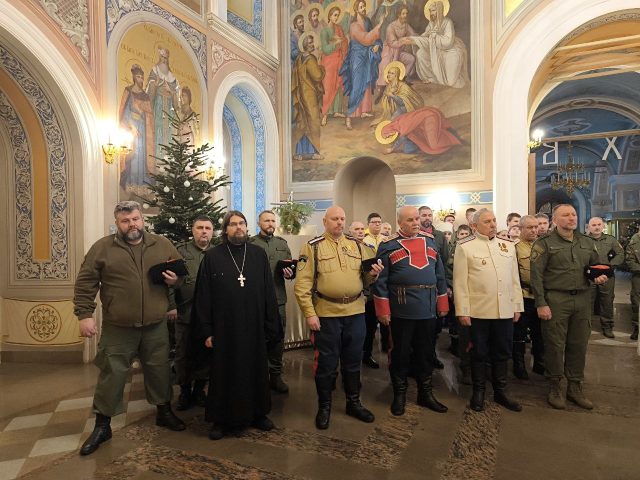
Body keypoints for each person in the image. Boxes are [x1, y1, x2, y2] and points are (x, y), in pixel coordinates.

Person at [74, 201, 185, 456]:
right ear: (117, 223)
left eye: (135, 219)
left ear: (142, 220)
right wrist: (85, 315)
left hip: (155, 326)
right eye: (125, 221)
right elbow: (86, 282)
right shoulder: (102, 248)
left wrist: (175, 280)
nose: (131, 225)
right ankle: (103, 425)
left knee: (159, 370)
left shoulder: (162, 244)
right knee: (111, 373)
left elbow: (180, 276)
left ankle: (164, 411)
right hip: (118, 327)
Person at [192, 211, 281, 440]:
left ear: (247, 227)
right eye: (233, 224)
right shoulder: (212, 257)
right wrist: (207, 331)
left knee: (255, 370)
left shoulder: (258, 255)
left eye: (242, 223)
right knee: (224, 373)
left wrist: (271, 326)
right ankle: (220, 420)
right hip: (225, 329)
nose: (238, 227)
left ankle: (258, 413)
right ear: (225, 230)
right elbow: (203, 296)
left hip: (254, 327)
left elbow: (268, 293)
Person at [294, 205, 383, 430]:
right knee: (326, 364)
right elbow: (302, 285)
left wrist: (373, 275)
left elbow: (366, 279)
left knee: (353, 361)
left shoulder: (357, 245)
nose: (340, 222)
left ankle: (354, 403)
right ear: (325, 221)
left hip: (355, 312)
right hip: (326, 314)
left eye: (342, 219)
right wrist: (310, 313)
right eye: (335, 219)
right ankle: (324, 407)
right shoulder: (312, 247)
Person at [530, 204, 608, 410]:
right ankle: (555, 386)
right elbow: (536, 276)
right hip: (556, 299)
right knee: (555, 344)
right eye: (565, 215)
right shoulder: (544, 243)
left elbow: (594, 267)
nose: (571, 218)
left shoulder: (586, 242)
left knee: (579, 343)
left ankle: (574, 387)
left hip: (582, 299)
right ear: (555, 220)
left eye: (573, 214)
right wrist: (541, 303)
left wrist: (598, 276)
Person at [374, 206, 450, 416]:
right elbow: (381, 281)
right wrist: (383, 310)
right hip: (401, 310)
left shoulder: (430, 241)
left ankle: (425, 394)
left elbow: (440, 275)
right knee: (399, 354)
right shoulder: (387, 246)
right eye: (410, 220)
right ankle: (399, 394)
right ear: (400, 222)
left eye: (417, 218)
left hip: (428, 309)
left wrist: (442, 303)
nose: (416, 222)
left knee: (426, 352)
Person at [453, 208, 524, 413]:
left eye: (494, 220)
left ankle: (501, 392)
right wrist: (463, 310)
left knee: (502, 352)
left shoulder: (507, 245)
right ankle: (479, 392)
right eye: (487, 222)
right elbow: (460, 283)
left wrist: (517, 306)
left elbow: (514, 279)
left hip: (504, 310)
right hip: (479, 311)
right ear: (474, 226)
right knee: (479, 353)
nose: (493, 224)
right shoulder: (465, 246)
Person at [250, 210, 295, 393]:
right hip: (255, 301)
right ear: (259, 223)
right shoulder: (250, 244)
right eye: (266, 220)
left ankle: (275, 375)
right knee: (256, 338)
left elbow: (291, 269)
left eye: (273, 221)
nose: (270, 223)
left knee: (277, 338)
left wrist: (290, 273)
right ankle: (257, 376)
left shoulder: (282, 244)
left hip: (277, 299)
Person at [172, 216, 214, 411]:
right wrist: (171, 306)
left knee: (206, 354)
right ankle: (185, 391)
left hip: (209, 317)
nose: (204, 231)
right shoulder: (180, 251)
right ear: (192, 230)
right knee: (183, 354)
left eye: (207, 228)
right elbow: (170, 281)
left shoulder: (218, 253)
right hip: (185, 313)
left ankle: (199, 390)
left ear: (212, 232)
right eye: (199, 228)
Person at [339, 0, 385, 130]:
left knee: (366, 83)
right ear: (356, 9)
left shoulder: (367, 22)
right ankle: (349, 116)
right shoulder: (353, 25)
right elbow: (365, 39)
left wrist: (377, 45)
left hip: (367, 55)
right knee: (357, 84)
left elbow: (375, 39)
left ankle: (364, 110)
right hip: (357, 57)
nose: (363, 8)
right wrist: (380, 24)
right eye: (361, 7)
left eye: (364, 6)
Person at [403, 0, 468, 88]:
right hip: (436, 50)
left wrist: (435, 36)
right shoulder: (431, 23)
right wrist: (414, 39)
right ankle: (431, 77)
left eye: (433, 10)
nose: (431, 13)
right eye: (430, 11)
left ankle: (449, 78)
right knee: (420, 54)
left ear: (439, 10)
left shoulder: (447, 22)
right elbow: (426, 36)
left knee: (451, 82)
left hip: (450, 51)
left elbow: (448, 42)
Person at [418, 206, 450, 370]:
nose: (427, 218)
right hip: (419, 287)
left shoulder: (439, 236)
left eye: (429, 215)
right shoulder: (414, 235)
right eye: (424, 215)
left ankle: (432, 355)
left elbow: (444, 259)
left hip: (436, 284)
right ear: (418, 217)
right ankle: (419, 358)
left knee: (436, 325)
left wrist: (444, 285)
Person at [514, 215, 544, 379]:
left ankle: (540, 363)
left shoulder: (542, 247)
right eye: (530, 227)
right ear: (520, 229)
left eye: (536, 227)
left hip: (540, 298)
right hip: (523, 296)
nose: (534, 230)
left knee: (539, 333)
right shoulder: (514, 248)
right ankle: (519, 365)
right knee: (519, 333)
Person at [586, 217, 624, 339]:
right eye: (593, 225)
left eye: (599, 224)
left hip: (607, 275)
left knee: (607, 301)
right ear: (589, 227)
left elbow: (620, 254)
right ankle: (585, 327)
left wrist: (611, 267)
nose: (596, 227)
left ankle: (607, 326)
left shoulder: (611, 240)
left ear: (603, 226)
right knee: (587, 301)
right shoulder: (583, 240)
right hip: (589, 276)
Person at [118, 64, 154, 193]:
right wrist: (132, 127)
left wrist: (145, 114)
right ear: (133, 77)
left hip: (143, 128)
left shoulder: (145, 96)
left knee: (142, 156)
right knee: (133, 156)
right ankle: (131, 183)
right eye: (138, 77)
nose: (140, 79)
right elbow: (124, 112)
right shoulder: (128, 91)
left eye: (142, 77)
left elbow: (149, 114)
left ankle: (142, 184)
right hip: (130, 128)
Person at [293, 33, 325, 161]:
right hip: (310, 95)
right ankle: (314, 152)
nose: (312, 45)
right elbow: (317, 76)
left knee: (302, 121)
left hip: (301, 94)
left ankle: (299, 153)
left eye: (312, 42)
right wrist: (321, 67)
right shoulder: (311, 59)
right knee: (313, 121)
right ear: (305, 45)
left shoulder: (299, 59)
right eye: (310, 42)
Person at [146, 47, 179, 160]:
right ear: (159, 57)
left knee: (169, 132)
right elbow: (150, 88)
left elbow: (176, 96)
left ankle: (169, 159)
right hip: (158, 105)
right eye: (162, 57)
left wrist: (171, 91)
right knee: (158, 129)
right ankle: (157, 157)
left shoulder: (172, 77)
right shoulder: (155, 70)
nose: (164, 60)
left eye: (166, 58)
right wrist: (155, 85)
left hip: (169, 108)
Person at [375, 5, 416, 93]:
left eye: (406, 13)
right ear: (398, 15)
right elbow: (392, 43)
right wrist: (403, 40)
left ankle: (401, 80)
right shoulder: (391, 26)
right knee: (384, 64)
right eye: (403, 14)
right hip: (389, 52)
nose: (405, 15)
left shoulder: (406, 25)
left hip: (399, 52)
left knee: (411, 59)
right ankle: (382, 87)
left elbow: (414, 35)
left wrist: (422, 38)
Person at [320, 5, 348, 125]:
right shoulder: (324, 31)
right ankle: (324, 114)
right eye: (335, 15)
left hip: (339, 60)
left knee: (338, 85)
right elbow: (325, 49)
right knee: (328, 86)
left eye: (338, 15)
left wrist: (342, 42)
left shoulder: (339, 28)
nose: (336, 17)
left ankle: (336, 110)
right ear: (329, 16)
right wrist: (336, 43)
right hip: (328, 62)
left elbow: (345, 42)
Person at [625, 231, 640, 341]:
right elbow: (629, 260)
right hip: (638, 275)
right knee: (636, 301)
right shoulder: (634, 242)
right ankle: (637, 327)